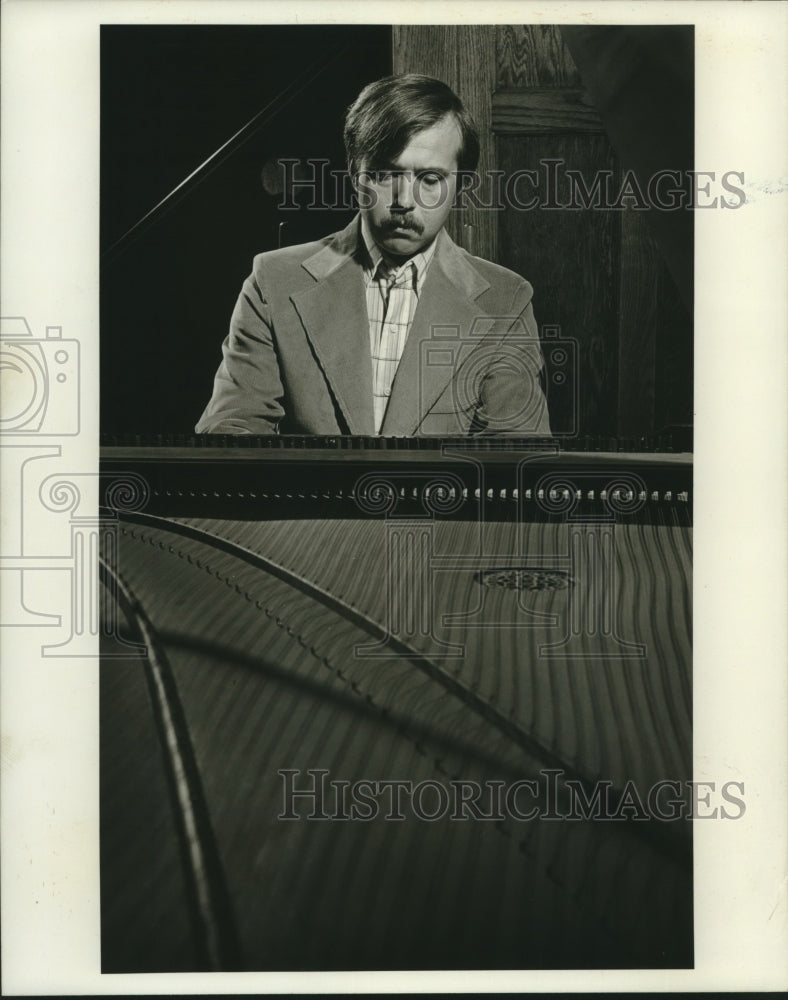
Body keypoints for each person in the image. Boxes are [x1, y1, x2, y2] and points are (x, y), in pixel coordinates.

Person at [196, 74, 551, 436]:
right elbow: (231, 434)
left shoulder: (507, 300)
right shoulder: (273, 282)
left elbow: (515, 456)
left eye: (430, 180)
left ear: (461, 185)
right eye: (384, 174)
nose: (404, 201)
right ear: (354, 175)